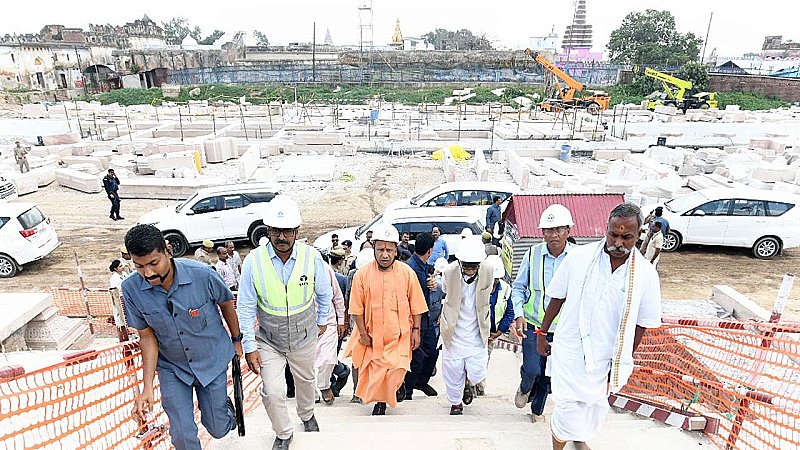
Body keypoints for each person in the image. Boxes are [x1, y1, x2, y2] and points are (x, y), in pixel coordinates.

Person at [537, 203, 662, 449]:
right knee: (566, 407)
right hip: (570, 350)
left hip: (606, 357)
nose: (618, 242)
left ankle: (578, 437)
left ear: (639, 236)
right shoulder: (579, 257)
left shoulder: (646, 275)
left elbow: (642, 325)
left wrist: (623, 358)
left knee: (591, 409)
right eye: (613, 234)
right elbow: (558, 297)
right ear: (606, 229)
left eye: (627, 237)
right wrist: (542, 332)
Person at [120, 224, 242, 450]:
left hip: (211, 359)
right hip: (172, 368)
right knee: (181, 434)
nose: (148, 273)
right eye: (139, 266)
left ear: (168, 251)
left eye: (153, 263)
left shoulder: (203, 275)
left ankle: (222, 410)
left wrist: (237, 340)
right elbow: (146, 338)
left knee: (217, 428)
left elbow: (226, 303)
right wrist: (147, 387)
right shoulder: (130, 289)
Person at [236, 195, 333, 450]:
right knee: (273, 390)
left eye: (287, 231)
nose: (282, 237)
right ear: (269, 231)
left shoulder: (311, 257)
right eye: (277, 231)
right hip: (269, 339)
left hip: (304, 335)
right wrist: (249, 346)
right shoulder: (253, 262)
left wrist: (322, 320)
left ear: (296, 231)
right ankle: (283, 433)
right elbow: (245, 306)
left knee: (305, 382)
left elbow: (324, 293)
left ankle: (307, 414)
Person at [345, 223, 428, 416]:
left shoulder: (407, 273)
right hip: (372, 337)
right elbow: (356, 309)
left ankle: (396, 387)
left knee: (397, 369)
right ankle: (381, 402)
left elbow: (416, 305)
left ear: (396, 251)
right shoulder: (362, 275)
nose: (384, 254)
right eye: (380, 249)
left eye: (389, 250)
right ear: (373, 248)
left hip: (400, 336)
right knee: (377, 374)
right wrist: (363, 335)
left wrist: (416, 331)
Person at [510, 204, 576, 422]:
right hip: (534, 324)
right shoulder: (533, 254)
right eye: (549, 230)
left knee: (550, 375)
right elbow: (518, 287)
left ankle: (537, 410)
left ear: (568, 230)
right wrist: (518, 313)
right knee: (532, 369)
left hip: (564, 329)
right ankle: (524, 387)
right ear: (542, 232)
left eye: (559, 229)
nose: (554, 234)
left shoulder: (577, 257)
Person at [439, 237, 494, 415]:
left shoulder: (489, 270)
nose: (470, 270)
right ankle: (456, 403)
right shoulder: (448, 272)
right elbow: (447, 293)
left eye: (474, 266)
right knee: (452, 370)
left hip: (477, 330)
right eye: (466, 266)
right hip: (453, 330)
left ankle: (468, 383)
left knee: (478, 372)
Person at [403, 232, 439, 400]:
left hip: (426, 316)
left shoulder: (423, 266)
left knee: (433, 351)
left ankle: (421, 381)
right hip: (414, 317)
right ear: (430, 250)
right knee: (416, 356)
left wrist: (430, 281)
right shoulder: (411, 268)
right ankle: (407, 390)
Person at [476, 254, 514, 396]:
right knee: (473, 358)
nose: (494, 282)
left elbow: (509, 312)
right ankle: (469, 384)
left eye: (496, 279)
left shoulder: (505, 290)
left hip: (493, 333)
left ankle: (479, 385)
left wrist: (499, 332)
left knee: (485, 358)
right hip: (476, 331)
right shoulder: (477, 285)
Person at [316, 257, 346, 404]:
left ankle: (324, 386)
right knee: (307, 362)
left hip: (328, 322)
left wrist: (341, 320)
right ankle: (313, 392)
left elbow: (338, 297)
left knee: (327, 359)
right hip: (304, 324)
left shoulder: (325, 269)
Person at [108, 259, 128, 340]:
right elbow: (116, 290)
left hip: (127, 297)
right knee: (120, 319)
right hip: (119, 300)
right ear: (116, 269)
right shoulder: (114, 278)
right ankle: (123, 338)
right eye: (120, 266)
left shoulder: (124, 274)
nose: (122, 267)